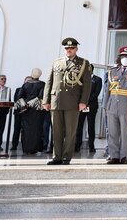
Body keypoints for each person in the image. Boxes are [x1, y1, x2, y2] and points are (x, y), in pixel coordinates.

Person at [42, 37, 93, 166]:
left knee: (70, 132)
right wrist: (46, 100)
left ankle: (66, 157)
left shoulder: (83, 63)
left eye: (71, 48)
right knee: (56, 131)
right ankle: (56, 156)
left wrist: (83, 102)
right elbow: (49, 82)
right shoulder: (56, 62)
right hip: (56, 101)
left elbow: (87, 86)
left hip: (72, 101)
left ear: (76, 49)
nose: (69, 50)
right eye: (67, 48)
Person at [17, 69, 46, 155]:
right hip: (37, 110)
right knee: (37, 129)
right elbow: (41, 96)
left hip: (26, 110)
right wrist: (32, 103)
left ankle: (26, 149)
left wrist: (26, 104)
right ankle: (34, 149)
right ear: (40, 75)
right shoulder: (42, 84)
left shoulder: (25, 85)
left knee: (26, 129)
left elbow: (20, 96)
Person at [75, 69, 102, 153]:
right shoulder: (80, 79)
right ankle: (77, 145)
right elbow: (78, 92)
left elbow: (96, 93)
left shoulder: (97, 79)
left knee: (91, 126)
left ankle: (91, 146)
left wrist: (86, 101)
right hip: (81, 106)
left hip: (91, 105)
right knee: (79, 126)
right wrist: (82, 102)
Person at [10, 76, 32, 151]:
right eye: (27, 81)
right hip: (18, 113)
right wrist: (24, 106)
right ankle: (14, 145)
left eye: (30, 81)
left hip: (28, 113)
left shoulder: (32, 91)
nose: (28, 82)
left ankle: (25, 147)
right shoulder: (18, 89)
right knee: (17, 129)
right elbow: (16, 100)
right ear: (24, 81)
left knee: (26, 131)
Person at [0, 74, 11, 150]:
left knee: (1, 129)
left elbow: (8, 101)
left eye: (5, 79)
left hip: (3, 112)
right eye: (2, 79)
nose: (3, 80)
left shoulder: (8, 89)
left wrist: (7, 110)